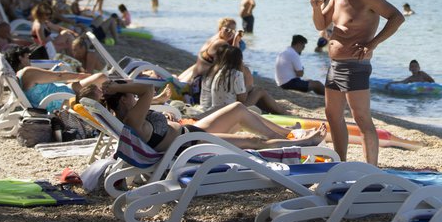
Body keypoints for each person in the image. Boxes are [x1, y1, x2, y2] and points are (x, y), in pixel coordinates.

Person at [310, 0, 405, 165]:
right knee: (333, 115)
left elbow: (397, 17)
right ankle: (341, 162)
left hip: (355, 65)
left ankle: (371, 168)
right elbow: (320, 25)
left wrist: (373, 43)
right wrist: (316, 8)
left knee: (361, 118)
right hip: (335, 65)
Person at [77, 80, 326, 153]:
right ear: (123, 99)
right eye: (128, 95)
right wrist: (120, 85)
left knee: (239, 110)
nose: (134, 98)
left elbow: (147, 95)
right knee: (254, 141)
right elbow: (147, 88)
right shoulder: (132, 119)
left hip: (190, 132)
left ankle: (288, 134)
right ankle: (302, 143)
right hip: (191, 144)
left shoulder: (131, 115)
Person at [4, 45, 108, 113]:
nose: (29, 60)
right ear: (20, 58)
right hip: (61, 99)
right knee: (101, 78)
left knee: (100, 79)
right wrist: (79, 75)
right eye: (27, 57)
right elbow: (59, 76)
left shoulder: (20, 76)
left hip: (60, 91)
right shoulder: (27, 72)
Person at [177, 17, 244, 85]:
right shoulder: (220, 43)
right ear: (220, 29)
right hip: (198, 80)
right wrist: (236, 41)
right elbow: (235, 57)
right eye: (227, 30)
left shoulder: (214, 38)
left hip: (195, 73)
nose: (230, 33)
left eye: (233, 31)